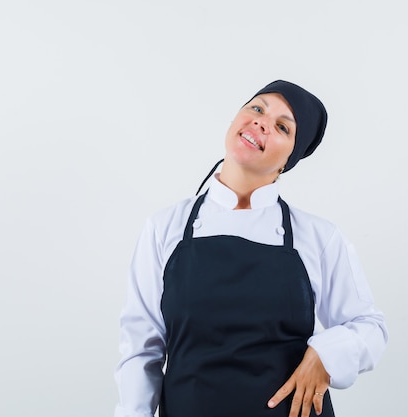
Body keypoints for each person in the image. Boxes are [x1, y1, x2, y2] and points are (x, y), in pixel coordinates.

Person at [114, 80, 388, 417]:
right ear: (235, 119)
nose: (261, 122)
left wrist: (326, 354)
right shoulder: (164, 228)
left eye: (282, 127)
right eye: (257, 108)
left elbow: (370, 327)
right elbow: (141, 351)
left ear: (289, 158)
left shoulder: (318, 237)